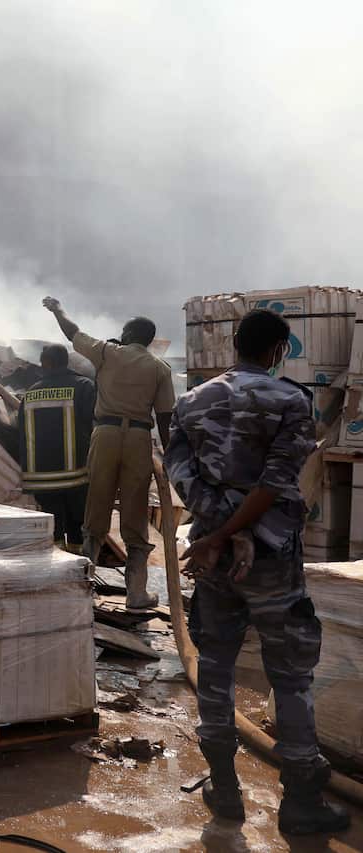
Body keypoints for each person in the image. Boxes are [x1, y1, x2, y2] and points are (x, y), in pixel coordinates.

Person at [165, 308, 350, 835]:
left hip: (213, 559)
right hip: (272, 559)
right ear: (277, 351)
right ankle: (301, 801)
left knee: (215, 666)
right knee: (290, 675)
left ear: (235, 345)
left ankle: (225, 789)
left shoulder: (192, 402)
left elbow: (179, 472)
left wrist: (217, 532)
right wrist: (238, 531)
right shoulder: (291, 400)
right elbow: (276, 480)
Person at [42, 296, 175, 609]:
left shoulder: (107, 352)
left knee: (97, 505)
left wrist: (58, 310)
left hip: (105, 434)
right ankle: (137, 593)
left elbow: (73, 333)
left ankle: (84, 588)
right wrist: (169, 456)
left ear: (127, 334)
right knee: (135, 511)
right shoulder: (160, 368)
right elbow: (165, 418)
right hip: (139, 439)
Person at [17, 343, 96, 550]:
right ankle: (77, 561)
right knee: (77, 525)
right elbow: (95, 425)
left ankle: (58, 562)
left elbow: (21, 432)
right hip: (76, 475)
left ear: (46, 363)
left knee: (53, 528)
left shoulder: (31, 393)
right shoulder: (84, 386)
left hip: (41, 477)